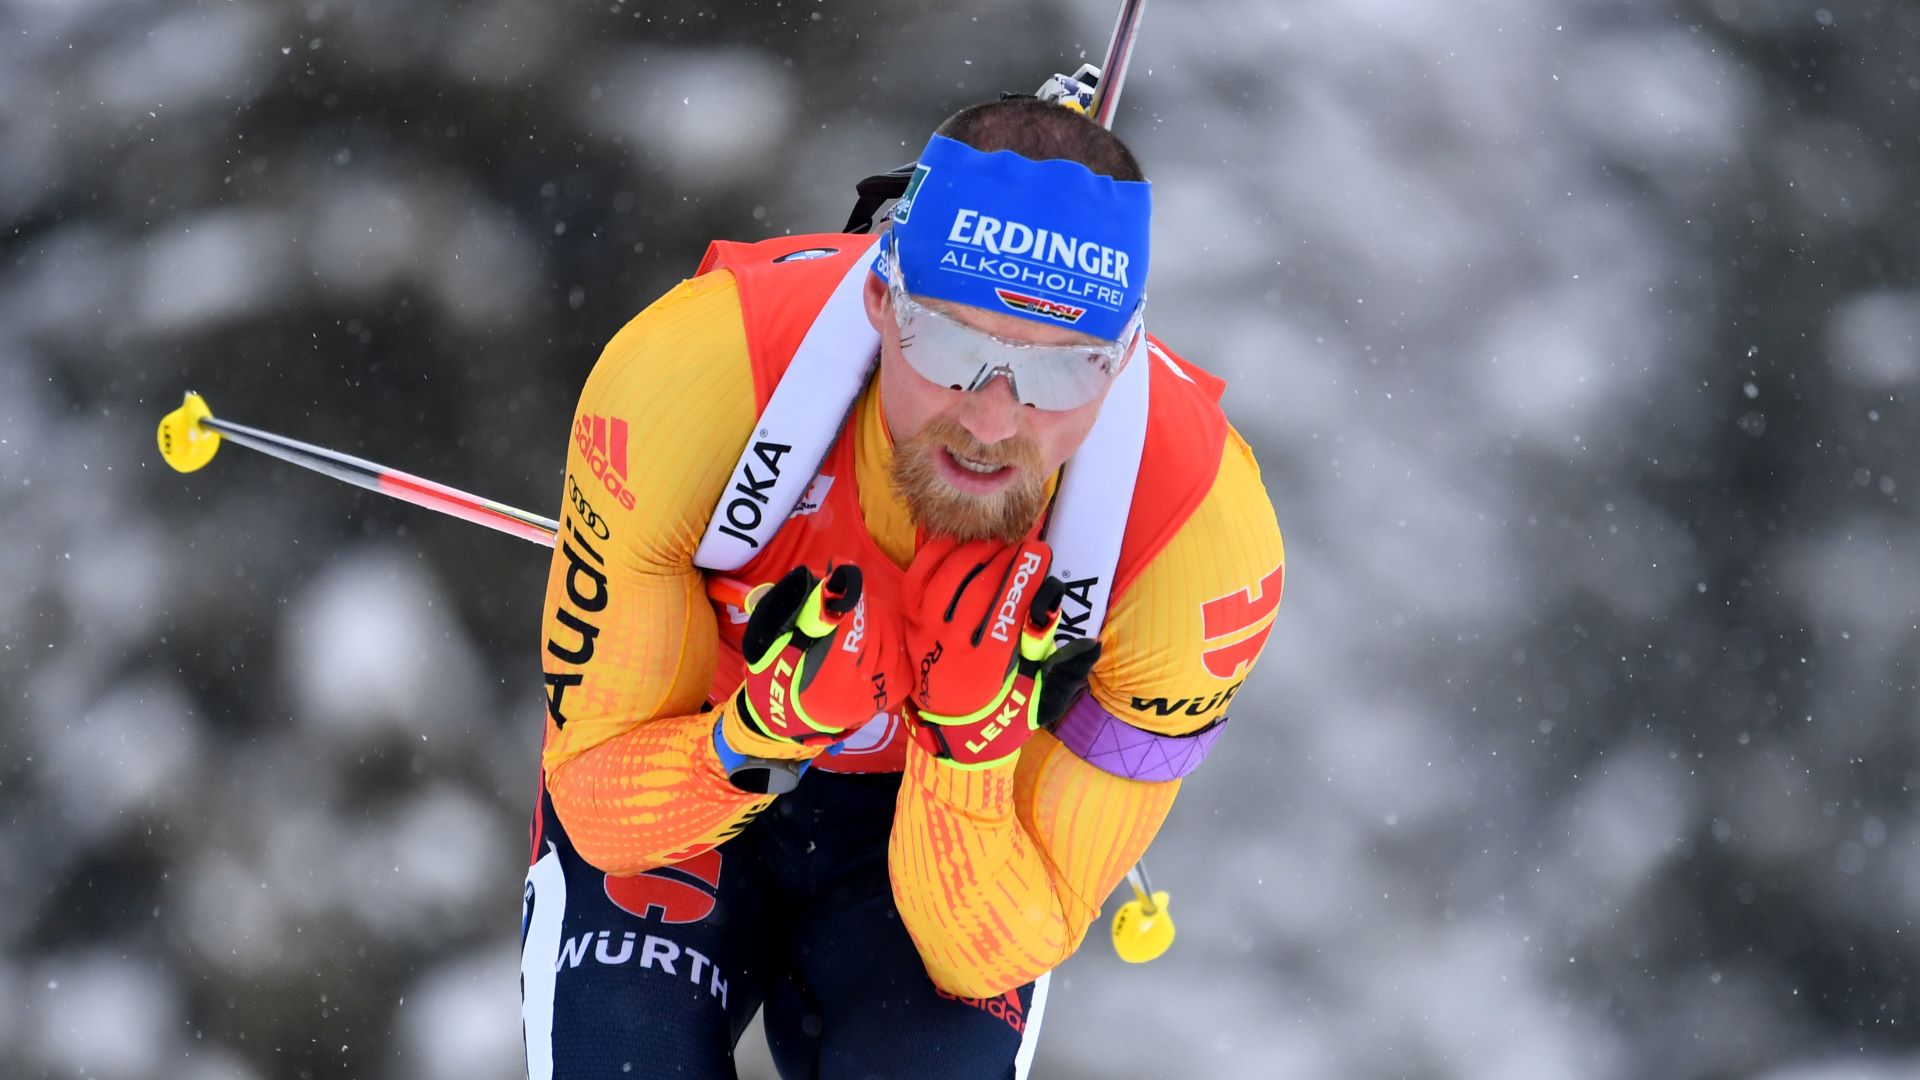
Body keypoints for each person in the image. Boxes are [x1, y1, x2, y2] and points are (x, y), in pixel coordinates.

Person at [520, 96, 1285, 1079]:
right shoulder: (699, 380)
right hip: (696, 762)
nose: (995, 419)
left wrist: (964, 746)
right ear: (882, 300)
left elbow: (994, 953)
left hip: (943, 838)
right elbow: (600, 813)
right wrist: (757, 730)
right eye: (957, 351)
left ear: (1124, 357)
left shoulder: (1197, 537)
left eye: (1062, 375)